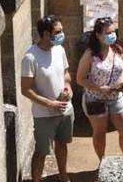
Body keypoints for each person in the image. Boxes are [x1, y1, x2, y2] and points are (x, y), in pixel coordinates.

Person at [21, 16, 74, 182]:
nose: (62, 34)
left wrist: (68, 88)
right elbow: (26, 89)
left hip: (65, 109)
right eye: (58, 32)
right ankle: (36, 179)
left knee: (62, 144)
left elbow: (66, 74)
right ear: (45, 34)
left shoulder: (60, 50)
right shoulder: (30, 57)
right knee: (42, 151)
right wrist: (50, 104)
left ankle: (63, 177)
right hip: (44, 115)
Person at [76, 17, 123, 164]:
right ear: (98, 35)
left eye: (113, 31)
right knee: (100, 132)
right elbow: (80, 79)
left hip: (116, 97)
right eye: (108, 33)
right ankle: (102, 163)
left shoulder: (118, 50)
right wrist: (99, 89)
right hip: (95, 99)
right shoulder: (90, 55)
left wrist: (121, 82)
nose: (112, 35)